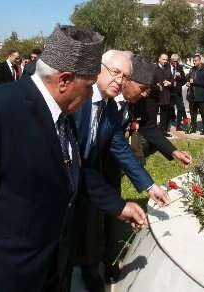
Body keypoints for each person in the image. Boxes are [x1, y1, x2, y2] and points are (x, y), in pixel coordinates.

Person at [0, 26, 141, 292]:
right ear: (64, 80)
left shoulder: (63, 115)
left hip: (50, 273)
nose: (90, 95)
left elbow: (75, 169)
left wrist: (119, 206)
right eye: (88, 86)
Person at [72, 50, 167, 291]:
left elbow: (120, 148)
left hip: (90, 179)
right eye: (115, 73)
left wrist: (149, 185)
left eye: (124, 76)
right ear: (99, 67)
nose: (119, 81)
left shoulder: (109, 107)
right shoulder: (78, 99)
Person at [186, 53, 204, 135]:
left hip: (201, 95)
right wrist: (188, 82)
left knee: (203, 113)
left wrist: (194, 82)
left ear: (200, 61)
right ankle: (193, 128)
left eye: (195, 61)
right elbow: (189, 77)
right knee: (193, 113)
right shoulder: (192, 69)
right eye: (193, 61)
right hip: (192, 95)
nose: (194, 62)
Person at [154, 53, 174, 137]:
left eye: (166, 59)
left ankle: (163, 131)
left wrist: (170, 83)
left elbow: (172, 79)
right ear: (159, 59)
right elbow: (151, 80)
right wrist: (157, 85)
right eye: (163, 59)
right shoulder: (154, 68)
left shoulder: (168, 67)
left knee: (164, 115)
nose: (165, 61)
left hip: (166, 95)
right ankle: (153, 132)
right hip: (156, 96)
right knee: (153, 115)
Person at [169, 53, 188, 128]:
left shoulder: (179, 67)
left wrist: (180, 76)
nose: (175, 63)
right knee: (170, 107)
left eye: (177, 61)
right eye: (174, 61)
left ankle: (179, 125)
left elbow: (184, 80)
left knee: (180, 107)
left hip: (177, 91)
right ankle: (171, 120)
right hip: (169, 90)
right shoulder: (167, 67)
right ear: (171, 60)